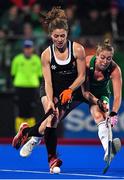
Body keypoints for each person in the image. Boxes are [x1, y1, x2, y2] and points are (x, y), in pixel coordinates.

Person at [17, 38, 122, 169]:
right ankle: (34, 139)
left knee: (99, 116)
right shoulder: (88, 62)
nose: (105, 61)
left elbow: (117, 96)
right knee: (54, 118)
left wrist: (113, 112)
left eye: (109, 58)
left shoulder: (115, 70)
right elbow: (85, 93)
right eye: (102, 57)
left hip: (101, 95)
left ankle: (108, 150)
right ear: (97, 55)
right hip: (82, 92)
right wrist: (97, 101)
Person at [12, 6, 86, 173]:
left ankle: (28, 132)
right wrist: (51, 100)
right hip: (49, 88)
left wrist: (70, 90)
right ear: (50, 35)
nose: (59, 39)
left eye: (62, 36)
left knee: (50, 122)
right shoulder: (46, 54)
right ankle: (52, 159)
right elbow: (48, 82)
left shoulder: (78, 49)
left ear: (67, 34)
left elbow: (81, 76)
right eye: (56, 36)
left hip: (69, 90)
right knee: (52, 118)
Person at [11, 39, 42, 132]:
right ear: (23, 49)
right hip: (20, 87)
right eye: (26, 48)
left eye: (29, 48)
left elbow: (40, 75)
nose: (27, 50)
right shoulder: (17, 59)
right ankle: (19, 132)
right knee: (20, 111)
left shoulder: (36, 60)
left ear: (32, 49)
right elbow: (13, 74)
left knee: (31, 111)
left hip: (32, 88)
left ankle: (30, 132)